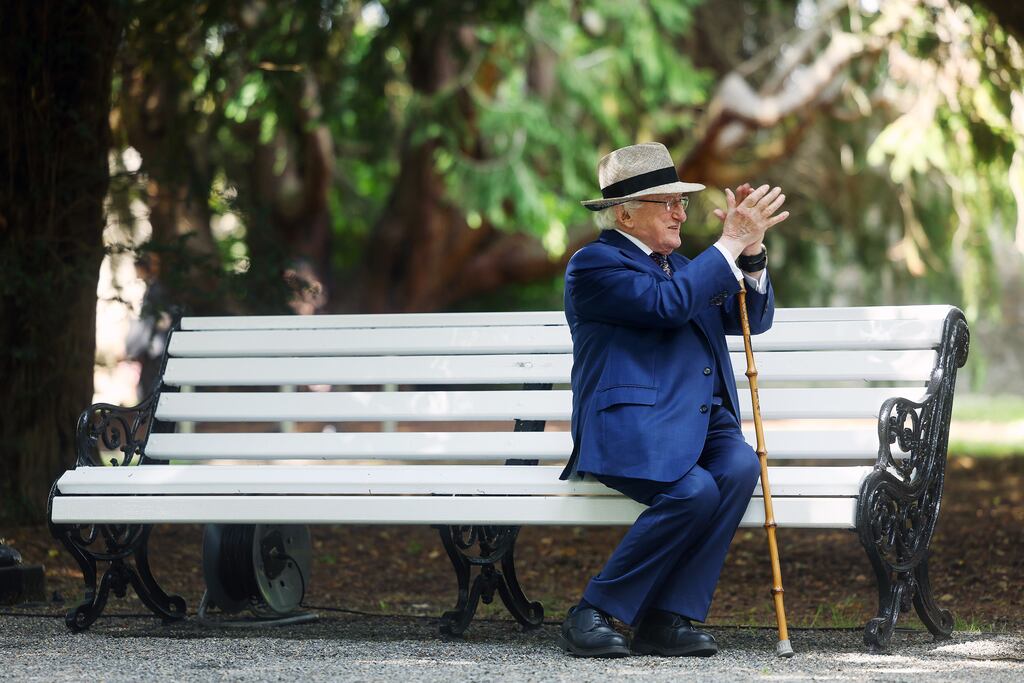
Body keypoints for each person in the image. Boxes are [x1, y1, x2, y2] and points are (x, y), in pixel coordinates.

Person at [558, 142, 788, 658]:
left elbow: (748, 318)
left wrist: (750, 254)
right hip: (632, 428)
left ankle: (667, 619)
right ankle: (593, 610)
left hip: (702, 426)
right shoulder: (594, 266)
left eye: (681, 202)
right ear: (625, 213)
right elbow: (669, 306)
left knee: (736, 467)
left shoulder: (681, 266)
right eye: (669, 203)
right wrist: (727, 245)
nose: (682, 213)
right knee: (694, 492)